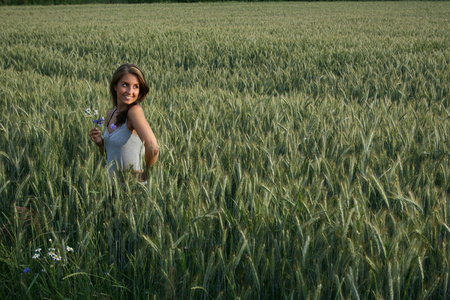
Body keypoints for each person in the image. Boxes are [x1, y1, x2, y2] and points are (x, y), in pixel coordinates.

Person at [89, 63, 159, 182]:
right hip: (112, 189)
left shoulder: (134, 112)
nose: (130, 91)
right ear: (115, 86)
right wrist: (101, 144)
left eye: (136, 86)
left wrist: (147, 174)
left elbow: (153, 148)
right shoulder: (111, 114)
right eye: (125, 85)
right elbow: (110, 156)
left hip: (133, 191)